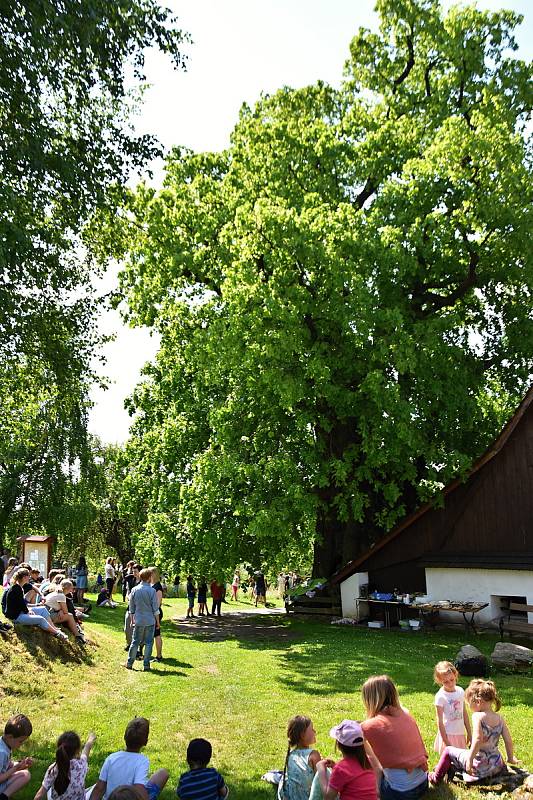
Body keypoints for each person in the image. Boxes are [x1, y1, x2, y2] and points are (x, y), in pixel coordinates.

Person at [429, 679, 517, 785]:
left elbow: (478, 740)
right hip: (496, 765)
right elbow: (508, 741)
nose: (468, 706)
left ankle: (435, 778)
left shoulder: (477, 716)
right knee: (466, 752)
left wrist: (470, 760)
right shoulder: (499, 718)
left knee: (448, 750)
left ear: (478, 702)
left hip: (479, 767)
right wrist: (510, 758)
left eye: (469, 703)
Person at [361, 675, 428, 800]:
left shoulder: (368, 726)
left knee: (366, 763)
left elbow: (352, 744)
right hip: (423, 783)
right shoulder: (405, 713)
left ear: (370, 699)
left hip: (400, 792)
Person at [89, 718, 168, 800]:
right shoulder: (142, 761)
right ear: (145, 742)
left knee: (162, 773)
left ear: (124, 737)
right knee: (163, 773)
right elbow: (139, 788)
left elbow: (99, 788)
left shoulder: (111, 758)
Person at [316, 719, 378, 800]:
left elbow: (328, 797)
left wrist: (321, 770)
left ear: (339, 745)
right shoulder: (368, 761)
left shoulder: (341, 769)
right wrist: (335, 767)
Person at [2, 568, 67, 640]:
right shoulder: (16, 589)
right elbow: (22, 605)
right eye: (28, 576)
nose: (29, 577)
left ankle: (53, 628)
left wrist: (36, 605)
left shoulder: (19, 587)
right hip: (16, 617)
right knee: (41, 619)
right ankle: (56, 633)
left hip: (20, 612)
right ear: (24, 577)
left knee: (42, 609)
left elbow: (22, 604)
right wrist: (27, 611)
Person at [34, 731, 96, 800]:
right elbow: (86, 749)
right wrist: (91, 739)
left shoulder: (53, 769)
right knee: (97, 787)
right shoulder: (81, 764)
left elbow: (39, 795)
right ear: (77, 751)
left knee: (48, 787)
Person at [278, 715, 323, 800]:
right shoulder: (313, 755)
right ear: (302, 735)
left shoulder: (291, 755)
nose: (315, 731)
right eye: (312, 729)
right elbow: (321, 783)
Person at [433, 660, 471, 754]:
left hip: (460, 732)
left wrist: (469, 733)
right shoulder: (440, 696)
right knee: (448, 763)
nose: (450, 684)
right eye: (445, 682)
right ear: (440, 681)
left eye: (452, 680)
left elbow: (464, 713)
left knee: (461, 760)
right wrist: (445, 741)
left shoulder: (460, 691)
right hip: (448, 734)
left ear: (455, 675)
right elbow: (440, 721)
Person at [126, 568, 159, 671]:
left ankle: (129, 663)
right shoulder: (152, 591)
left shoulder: (134, 590)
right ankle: (146, 665)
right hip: (150, 620)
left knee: (135, 642)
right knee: (149, 642)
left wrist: (132, 620)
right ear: (149, 578)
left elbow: (131, 608)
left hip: (138, 620)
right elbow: (155, 609)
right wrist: (158, 622)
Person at [0, 714, 33, 800]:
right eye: (20, 741)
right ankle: (3, 797)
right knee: (25, 775)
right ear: (10, 737)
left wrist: (20, 764)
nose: (21, 745)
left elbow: (6, 765)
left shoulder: (4, 744)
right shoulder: (2, 753)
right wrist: (15, 768)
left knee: (25, 773)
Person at [150, 567, 164, 663]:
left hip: (156, 613)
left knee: (157, 634)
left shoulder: (158, 587)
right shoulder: (152, 585)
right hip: (152, 613)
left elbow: (158, 604)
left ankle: (159, 656)